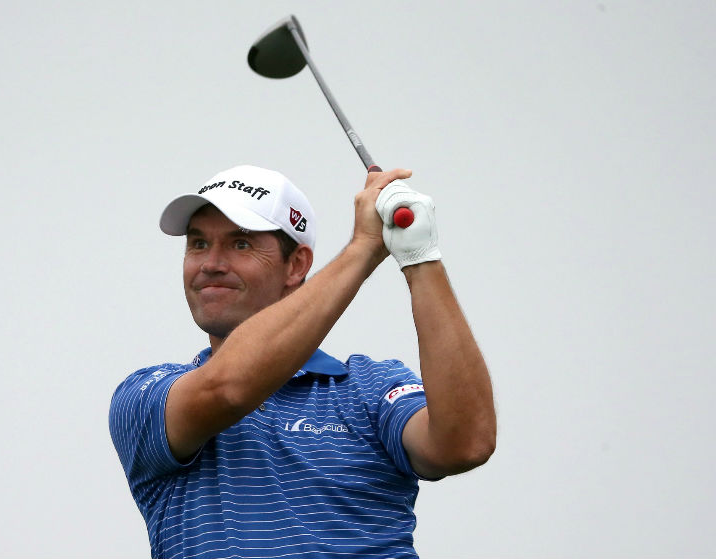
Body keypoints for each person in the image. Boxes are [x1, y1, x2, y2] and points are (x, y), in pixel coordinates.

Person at [109, 164, 496, 559]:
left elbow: (463, 444)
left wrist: (420, 255)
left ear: (296, 265)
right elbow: (227, 389)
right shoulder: (145, 395)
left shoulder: (373, 388)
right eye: (198, 244)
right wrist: (363, 248)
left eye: (240, 244)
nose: (211, 263)